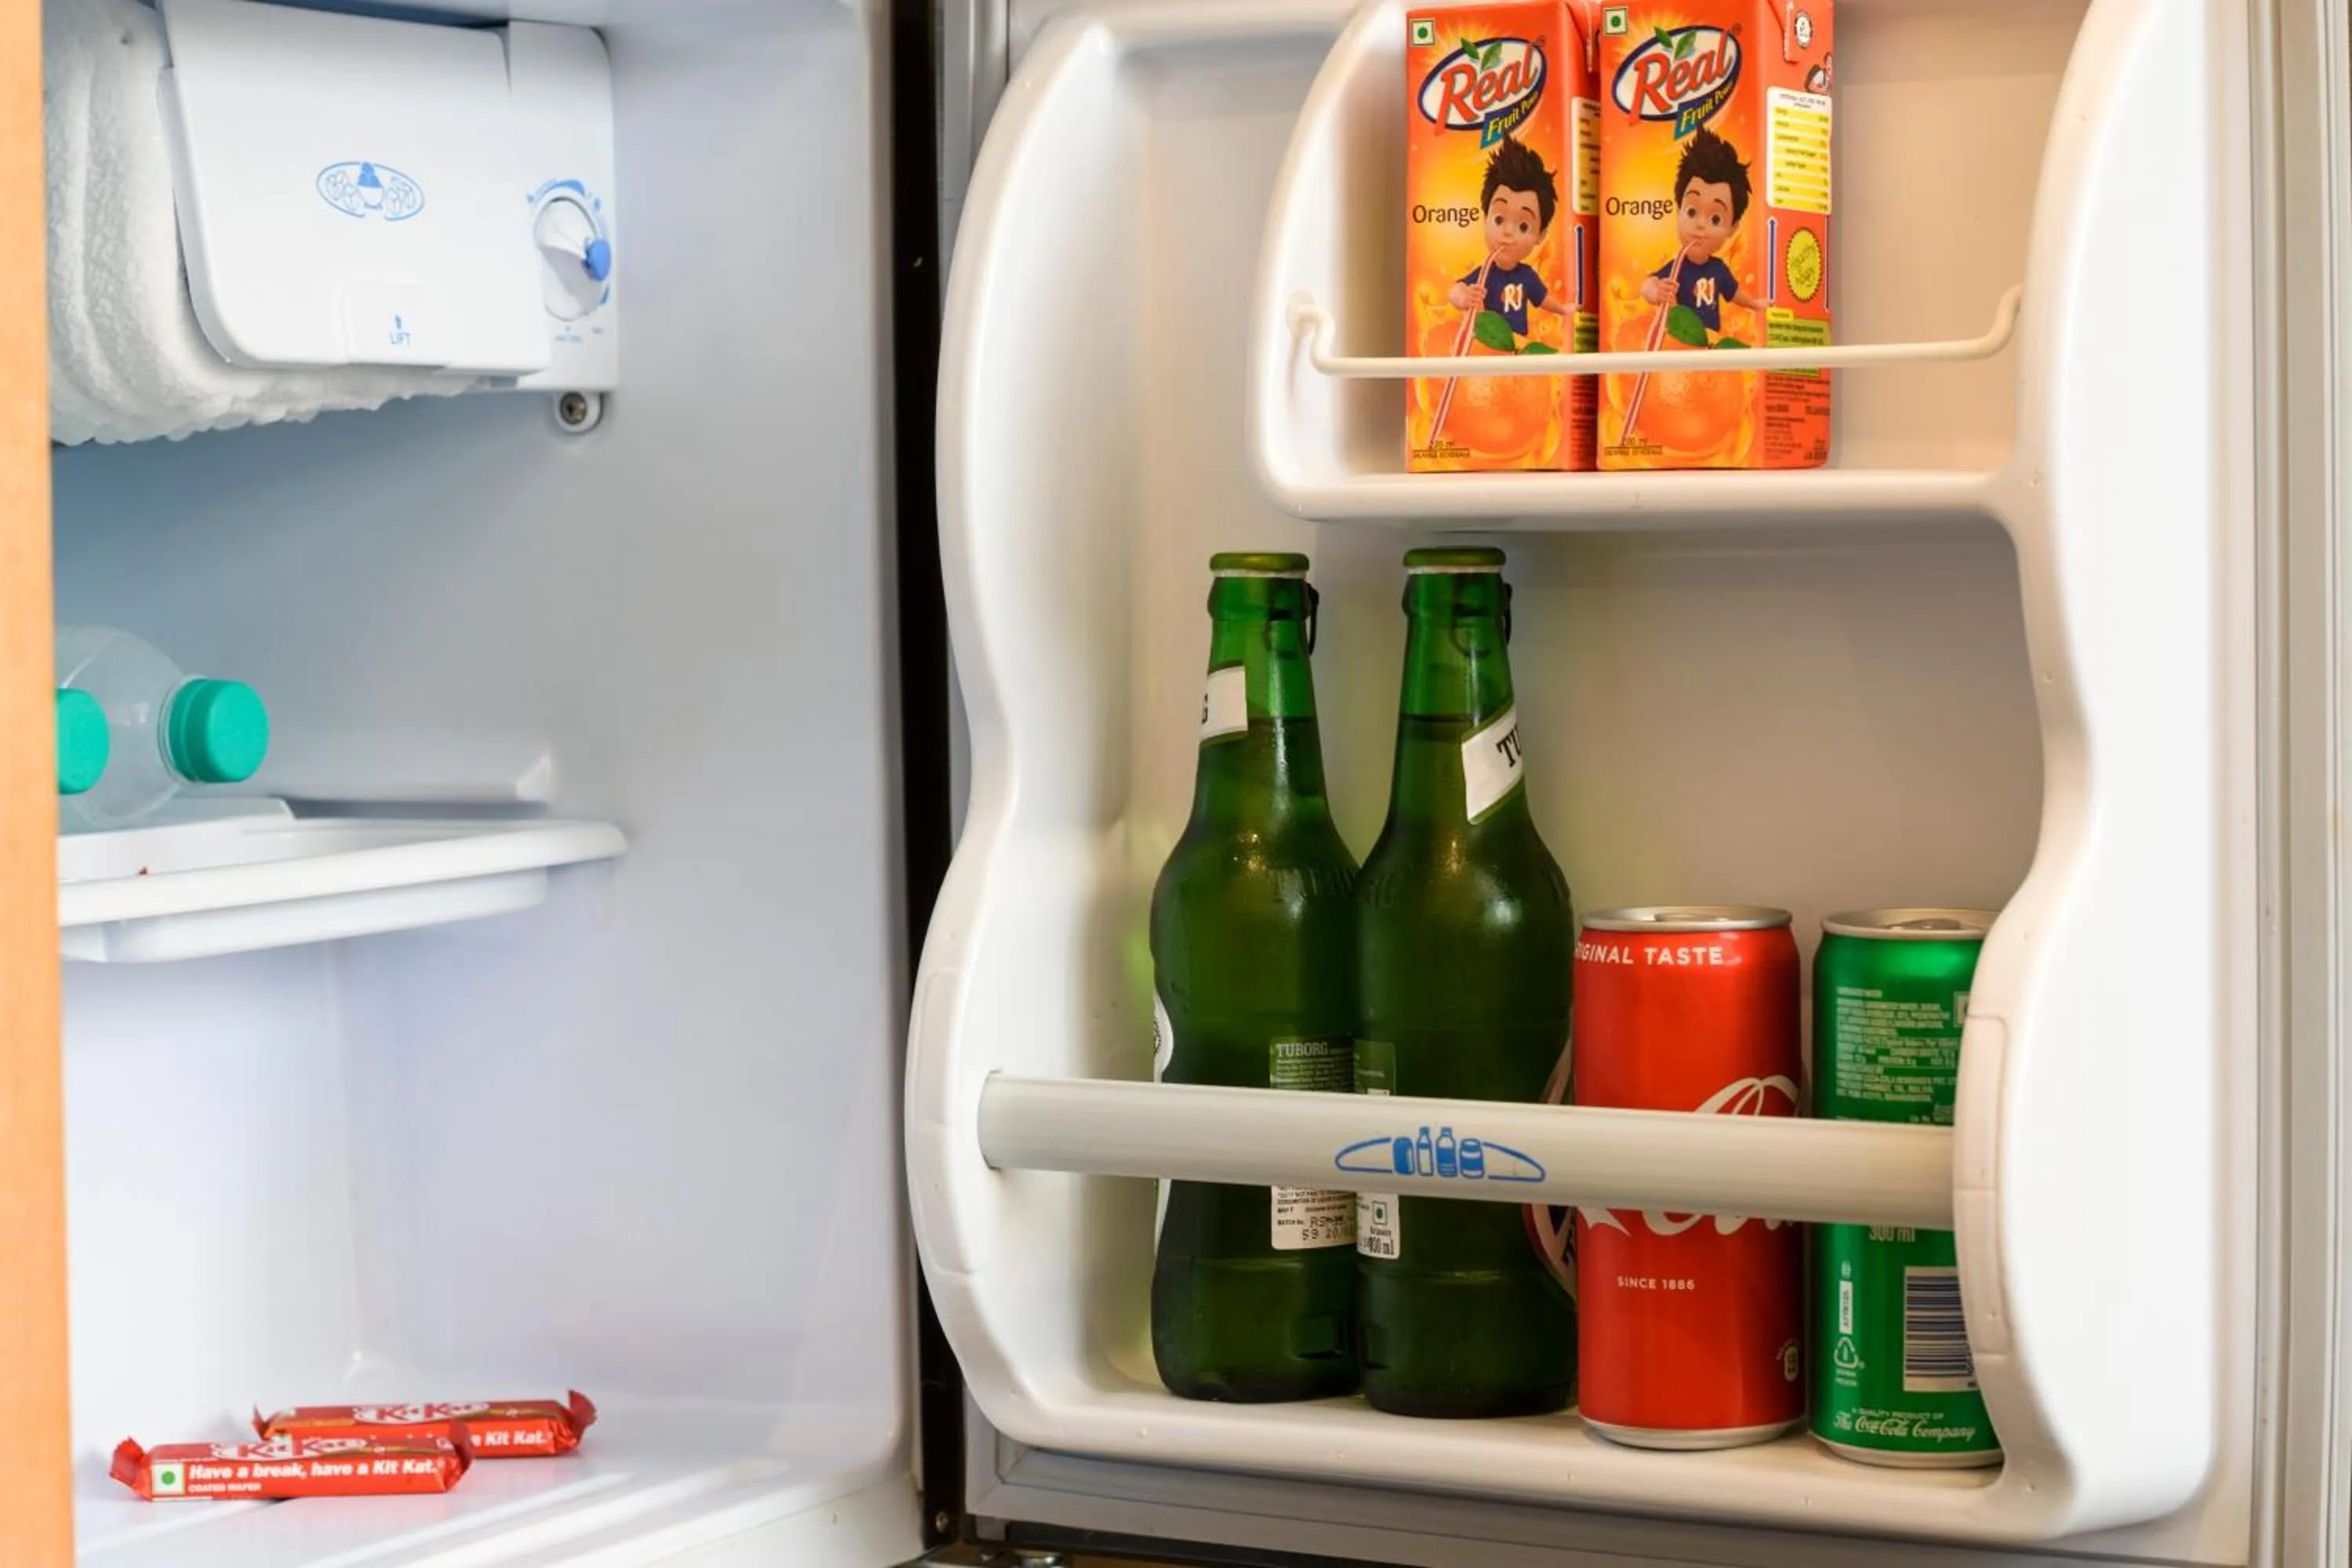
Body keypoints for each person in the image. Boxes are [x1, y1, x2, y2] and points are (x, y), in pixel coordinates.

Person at [1639, 126, 1769, 337]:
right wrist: (1654, 291)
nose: (1700, 225)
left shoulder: (1719, 269)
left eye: (1715, 219)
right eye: (1691, 212)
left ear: (1732, 228)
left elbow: (1734, 294)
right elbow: (1647, 284)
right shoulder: (1676, 268)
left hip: (1711, 345)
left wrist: (1757, 304)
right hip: (1680, 342)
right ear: (1678, 210)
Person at [1448, 137, 1572, 339]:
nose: (1507, 232)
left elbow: (1543, 299)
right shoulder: (1484, 274)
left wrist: (1564, 310)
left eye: (1523, 226)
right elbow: (1455, 290)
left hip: (1518, 349)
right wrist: (1463, 297)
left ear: (1541, 235)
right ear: (1485, 219)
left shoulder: (1527, 275)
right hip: (1489, 347)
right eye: (1498, 219)